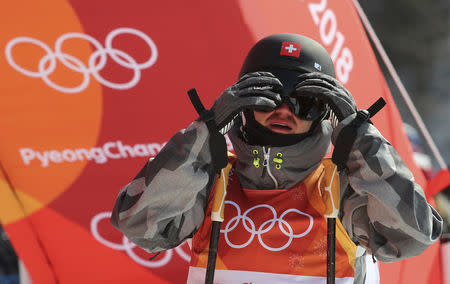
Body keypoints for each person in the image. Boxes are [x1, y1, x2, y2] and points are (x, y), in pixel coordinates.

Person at [111, 33, 442, 283]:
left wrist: (361, 137)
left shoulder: (344, 188)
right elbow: (139, 226)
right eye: (267, 96)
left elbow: (412, 237)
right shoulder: (212, 181)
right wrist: (205, 131)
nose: (284, 110)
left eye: (306, 101)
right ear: (241, 100)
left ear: (326, 111)